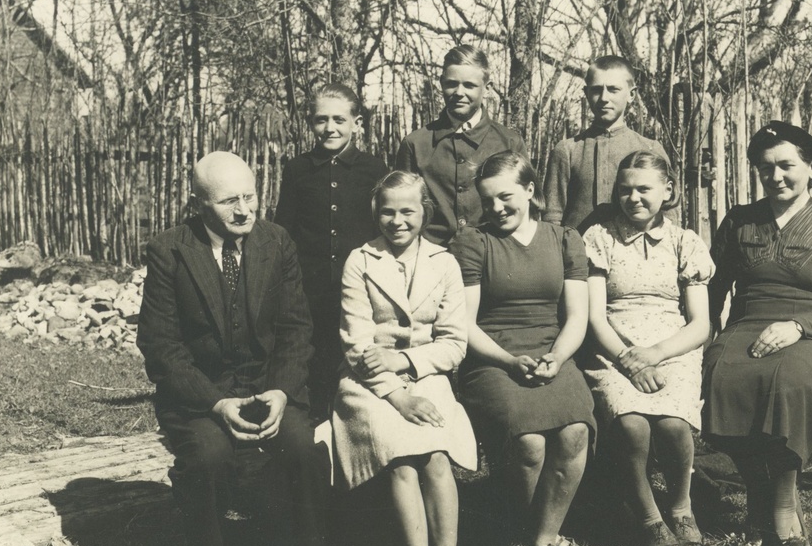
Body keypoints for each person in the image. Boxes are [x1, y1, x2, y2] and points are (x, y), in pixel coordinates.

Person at [137, 151, 331, 546]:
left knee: (303, 447)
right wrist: (217, 404)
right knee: (207, 455)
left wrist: (282, 390)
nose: (244, 210)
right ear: (198, 203)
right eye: (229, 202)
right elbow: (161, 346)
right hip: (203, 396)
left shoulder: (277, 241)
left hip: (270, 387)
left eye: (250, 197)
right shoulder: (170, 250)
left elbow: (296, 329)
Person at [702, 121, 812, 546]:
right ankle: (758, 492)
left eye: (787, 166)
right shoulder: (739, 220)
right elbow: (713, 290)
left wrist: (797, 327)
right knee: (720, 374)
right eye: (765, 168)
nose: (776, 177)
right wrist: (705, 336)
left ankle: (782, 503)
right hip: (747, 325)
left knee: (789, 380)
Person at [450, 150, 594, 546]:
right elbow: (465, 324)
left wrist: (558, 357)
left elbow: (577, 316)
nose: (496, 209)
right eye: (487, 200)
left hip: (553, 351)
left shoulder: (565, 238)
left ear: (531, 191)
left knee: (575, 432)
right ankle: (535, 531)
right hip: (492, 358)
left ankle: (543, 536)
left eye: (505, 197)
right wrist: (510, 362)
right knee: (529, 444)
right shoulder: (474, 242)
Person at [332, 171, 477, 546]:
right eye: (388, 212)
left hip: (426, 372)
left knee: (433, 455)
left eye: (408, 211)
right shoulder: (360, 260)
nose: (397, 221)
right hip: (368, 381)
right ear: (376, 213)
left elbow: (454, 344)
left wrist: (408, 363)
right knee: (400, 457)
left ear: (425, 212)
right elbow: (357, 343)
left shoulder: (444, 262)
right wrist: (398, 396)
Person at [583, 152, 714, 546]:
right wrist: (628, 360)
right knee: (632, 425)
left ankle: (680, 504)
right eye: (625, 190)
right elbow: (594, 317)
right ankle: (647, 517)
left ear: (668, 191)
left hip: (671, 345)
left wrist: (655, 354)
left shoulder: (684, 242)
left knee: (674, 425)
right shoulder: (599, 239)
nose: (634, 197)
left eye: (644, 189)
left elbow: (699, 324)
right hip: (614, 346)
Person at [273, 83, 388, 420]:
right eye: (321, 120)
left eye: (339, 119)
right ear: (310, 123)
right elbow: (285, 230)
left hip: (360, 288)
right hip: (311, 289)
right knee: (317, 361)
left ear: (357, 123)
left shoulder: (374, 169)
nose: (330, 128)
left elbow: (381, 228)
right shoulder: (298, 169)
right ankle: (317, 430)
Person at [395, 44, 526, 245]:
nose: (459, 92)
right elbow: (401, 207)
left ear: (487, 88)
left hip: (494, 256)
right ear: (441, 83)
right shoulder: (416, 144)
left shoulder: (509, 142)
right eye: (451, 84)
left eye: (469, 85)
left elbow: (526, 209)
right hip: (432, 258)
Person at [543, 56, 669, 230]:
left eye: (613, 89)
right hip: (576, 253)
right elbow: (552, 216)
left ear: (631, 94)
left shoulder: (650, 149)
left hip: (637, 254)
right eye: (596, 90)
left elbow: (669, 212)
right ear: (586, 94)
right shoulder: (568, 150)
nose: (603, 98)